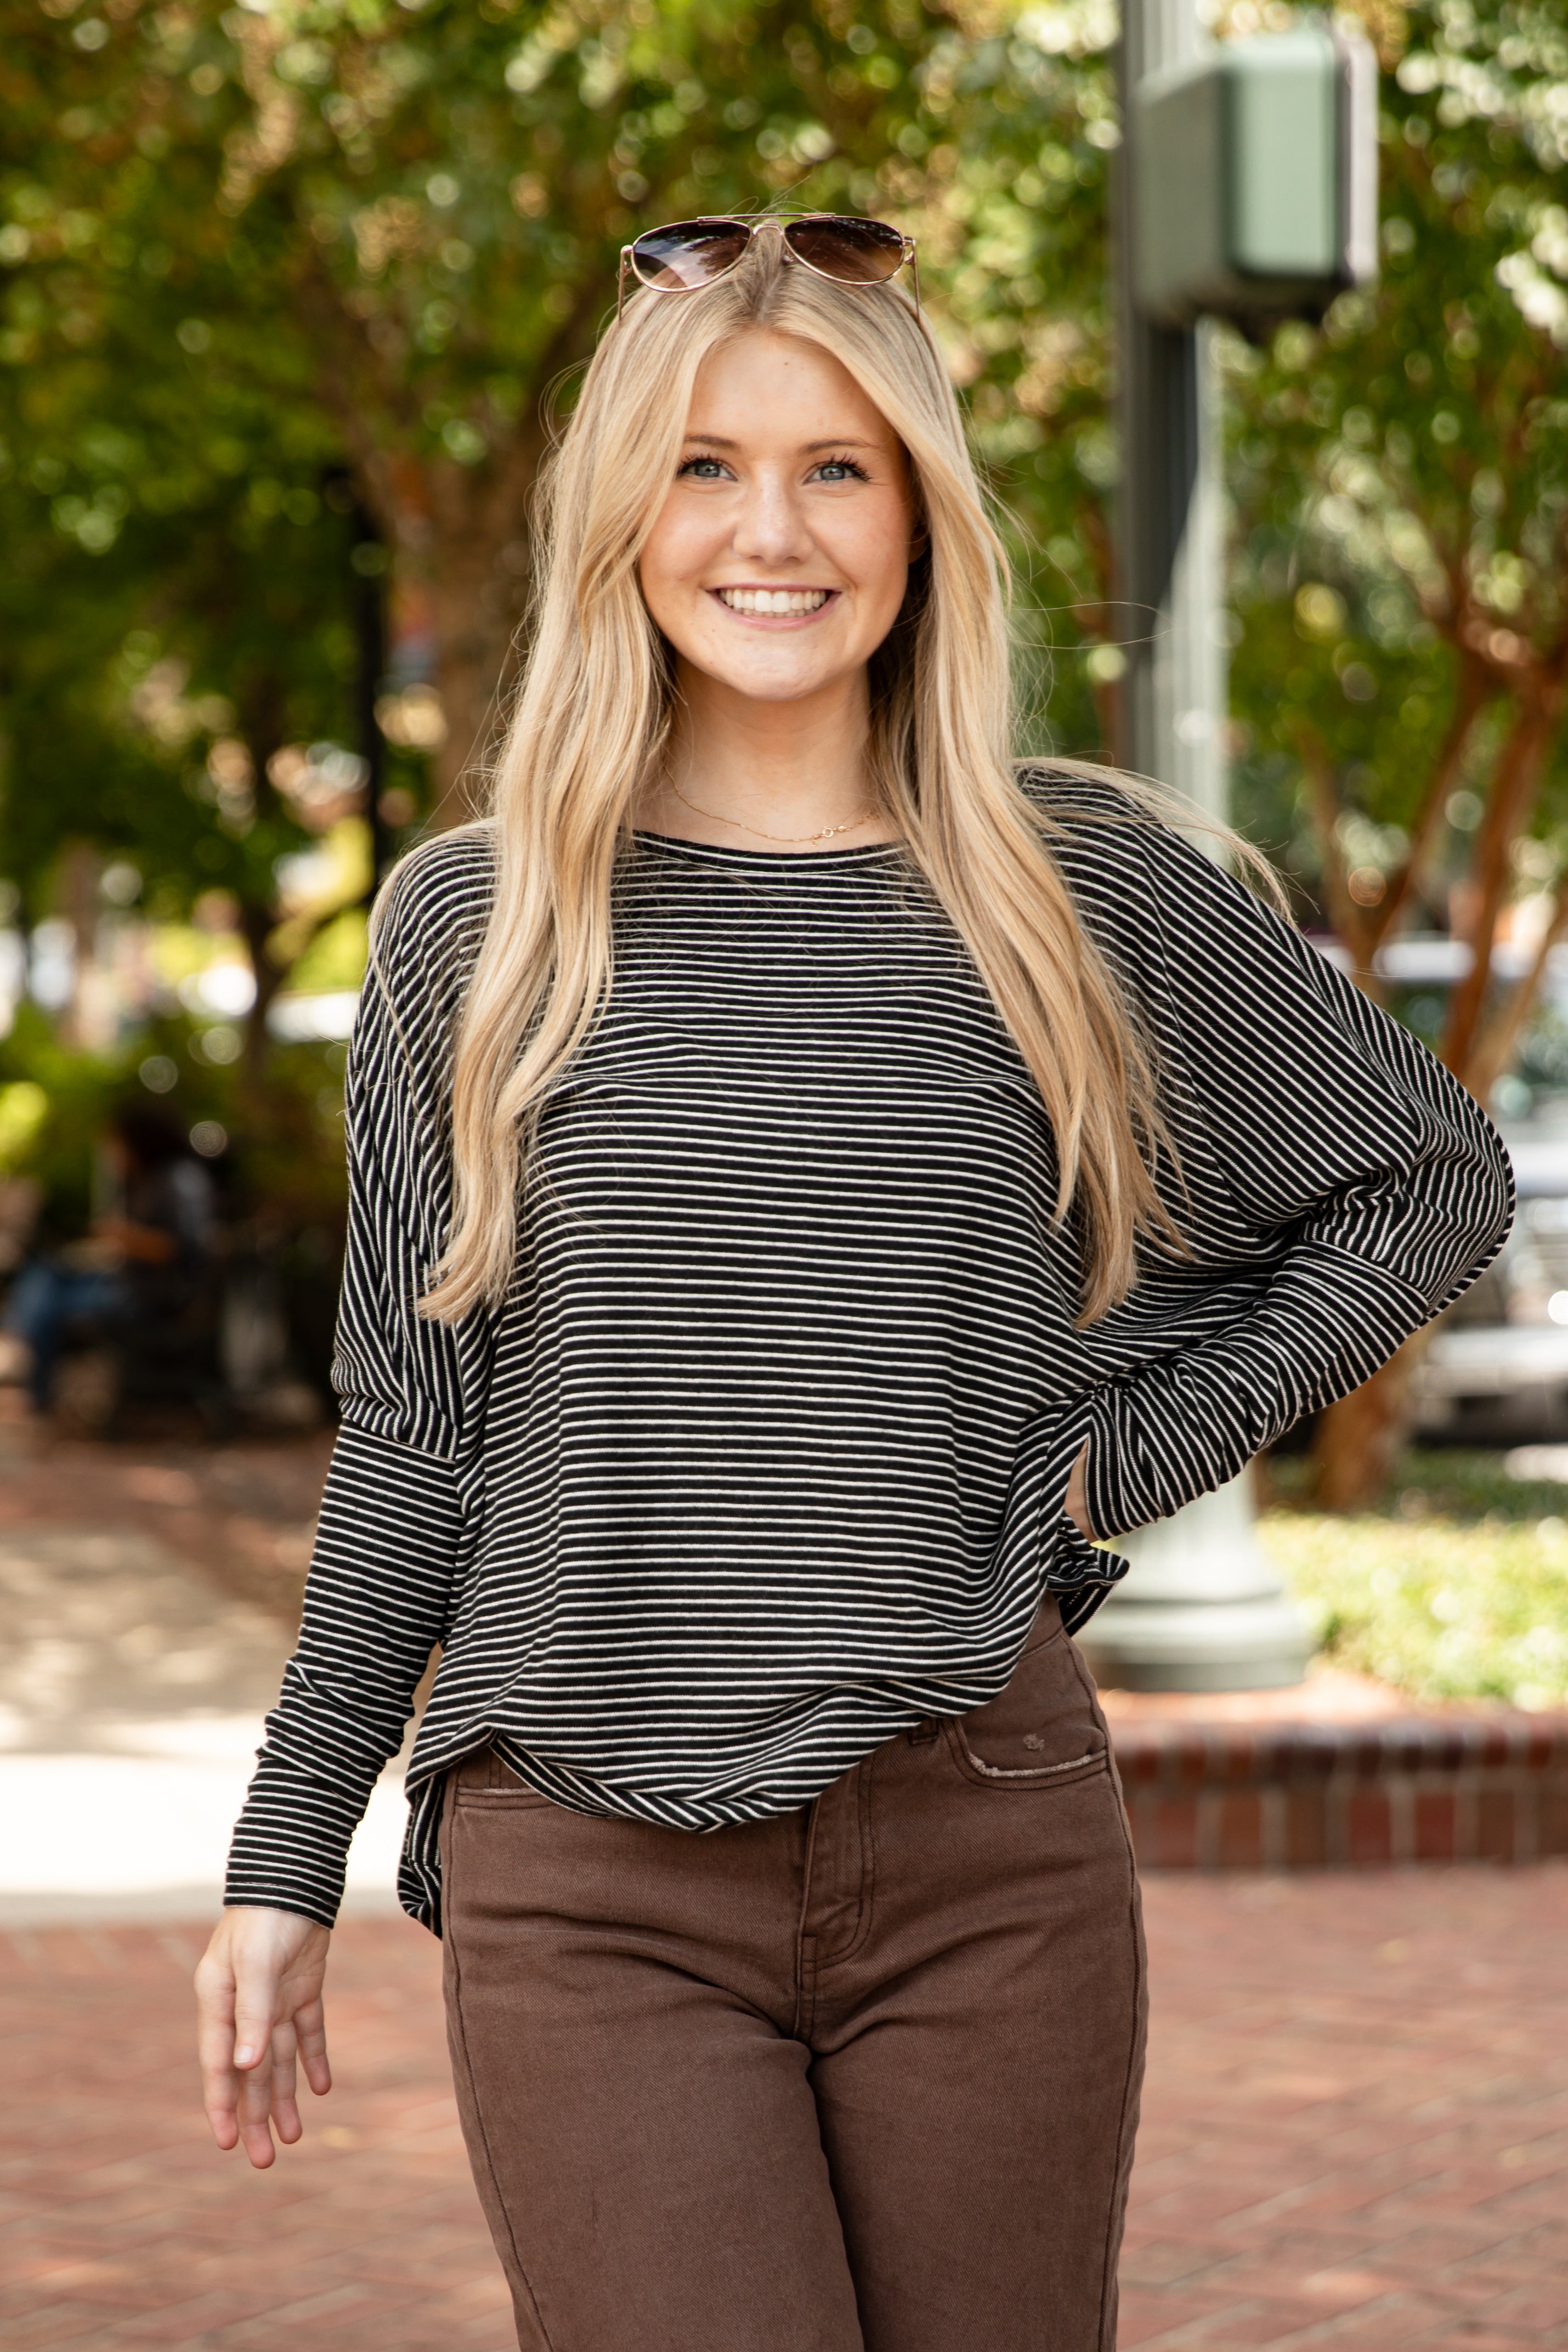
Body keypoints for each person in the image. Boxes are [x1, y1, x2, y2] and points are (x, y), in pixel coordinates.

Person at [196, 213, 1511, 2352]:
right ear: (623, 515)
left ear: (919, 516)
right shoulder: (480, 924)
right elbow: (419, 1426)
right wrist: (283, 1851)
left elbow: (1425, 1180)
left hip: (983, 1842)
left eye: (838, 466)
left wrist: (1107, 1462)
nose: (771, 528)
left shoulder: (1078, 889)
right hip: (589, 1863)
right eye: (706, 465)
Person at [0, 1099, 217, 1412]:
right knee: (47, 1273)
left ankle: (37, 1389)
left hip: (155, 1296)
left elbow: (179, 1247)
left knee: (49, 1299)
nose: (113, 1152)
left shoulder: (177, 1180)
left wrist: (121, 1236)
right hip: (136, 1286)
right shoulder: (156, 1178)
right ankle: (34, 1378)